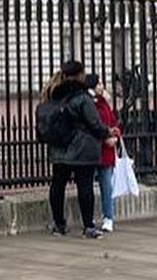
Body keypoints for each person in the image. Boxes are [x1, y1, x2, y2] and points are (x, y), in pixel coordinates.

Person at [40, 57, 110, 239]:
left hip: (59, 148)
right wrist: (107, 132)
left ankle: (59, 224)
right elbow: (94, 123)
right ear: (79, 75)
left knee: (58, 185)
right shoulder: (82, 98)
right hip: (82, 148)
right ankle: (88, 226)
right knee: (85, 186)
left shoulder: (53, 95)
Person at [86, 72, 122, 233]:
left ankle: (108, 217)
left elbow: (113, 122)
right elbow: (91, 126)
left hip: (107, 151)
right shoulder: (89, 104)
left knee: (106, 186)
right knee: (88, 187)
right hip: (94, 150)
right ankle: (89, 218)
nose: (102, 86)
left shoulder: (104, 104)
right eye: (99, 84)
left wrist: (115, 136)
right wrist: (105, 138)